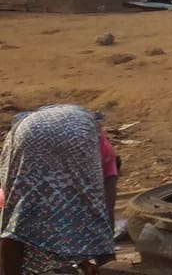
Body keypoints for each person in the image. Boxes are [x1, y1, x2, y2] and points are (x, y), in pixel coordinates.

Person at [0, 105, 118, 275]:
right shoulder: (108, 158)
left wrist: (84, 264)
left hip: (27, 132)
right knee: (98, 215)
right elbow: (103, 214)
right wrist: (104, 258)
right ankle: (109, 271)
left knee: (18, 218)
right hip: (75, 133)